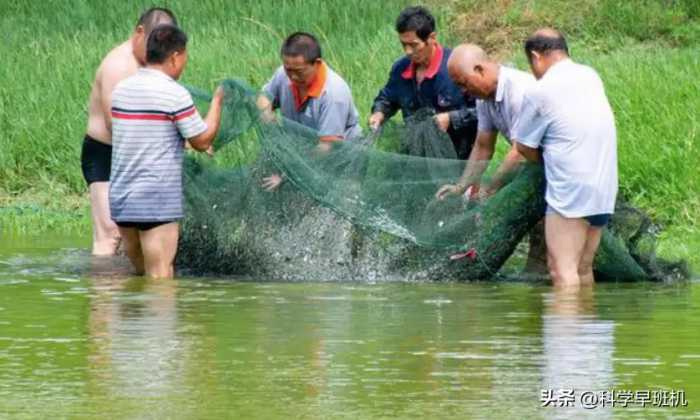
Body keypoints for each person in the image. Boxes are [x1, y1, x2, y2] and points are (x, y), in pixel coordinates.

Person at [109, 24, 224, 279]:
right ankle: (161, 320)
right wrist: (217, 102)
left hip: (121, 197)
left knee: (139, 275)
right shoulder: (174, 93)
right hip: (155, 199)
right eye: (184, 57)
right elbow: (202, 141)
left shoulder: (121, 90)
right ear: (175, 56)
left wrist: (178, 140)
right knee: (160, 277)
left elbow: (142, 133)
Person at [513, 29, 618, 288]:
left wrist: (545, 160)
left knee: (562, 270)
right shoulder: (590, 75)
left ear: (536, 57)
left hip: (571, 190)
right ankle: (588, 328)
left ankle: (566, 330)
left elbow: (524, 147)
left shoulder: (541, 90)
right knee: (582, 268)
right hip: (604, 185)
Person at [434, 44, 546, 273]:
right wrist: (461, 186)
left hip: (558, 167)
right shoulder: (483, 98)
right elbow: (483, 146)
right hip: (536, 168)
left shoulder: (519, 91)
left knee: (548, 230)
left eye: (464, 83)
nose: (464, 91)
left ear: (480, 69)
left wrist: (491, 188)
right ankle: (539, 283)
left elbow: (519, 150)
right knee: (539, 229)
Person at [81, 7, 178, 256]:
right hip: (106, 153)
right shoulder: (119, 65)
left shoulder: (156, 64)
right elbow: (117, 124)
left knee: (138, 233)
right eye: (153, 42)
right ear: (139, 32)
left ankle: (134, 291)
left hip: (140, 155)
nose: (157, 51)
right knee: (110, 234)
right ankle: (103, 293)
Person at [257, 32, 362, 191]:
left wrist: (286, 175)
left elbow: (327, 148)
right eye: (288, 69)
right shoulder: (284, 73)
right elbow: (263, 97)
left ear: (317, 63)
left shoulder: (334, 94)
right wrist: (267, 115)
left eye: (298, 71)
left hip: (342, 159)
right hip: (304, 153)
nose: (292, 77)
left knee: (341, 200)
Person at [369, 6, 477, 159]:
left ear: (432, 38)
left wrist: (452, 118)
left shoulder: (456, 67)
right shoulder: (400, 69)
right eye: (403, 45)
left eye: (414, 45)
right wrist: (379, 112)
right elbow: (387, 98)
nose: (407, 51)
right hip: (416, 156)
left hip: (457, 157)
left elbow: (484, 112)